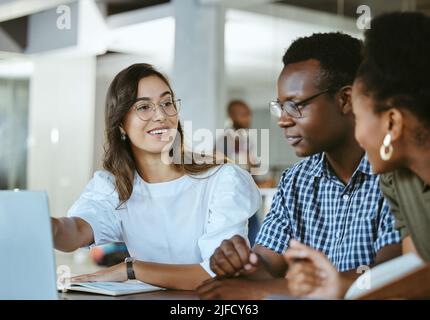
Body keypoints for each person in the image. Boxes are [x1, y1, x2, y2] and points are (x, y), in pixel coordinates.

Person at [197, 33, 401, 300]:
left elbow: (388, 274)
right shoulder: (296, 180)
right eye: (280, 107)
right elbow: (268, 261)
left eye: (295, 105)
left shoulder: (395, 173)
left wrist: (261, 289)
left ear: (345, 100)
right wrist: (242, 263)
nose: (283, 120)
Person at [51, 63, 261, 290]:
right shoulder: (115, 186)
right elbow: (75, 231)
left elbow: (216, 274)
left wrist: (131, 269)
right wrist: (45, 225)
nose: (161, 115)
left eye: (167, 103)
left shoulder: (222, 179)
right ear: (121, 123)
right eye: (143, 107)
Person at [283, 12, 430, 299]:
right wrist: (345, 288)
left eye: (360, 119)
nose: (358, 136)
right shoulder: (395, 180)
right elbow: (419, 273)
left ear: (392, 124)